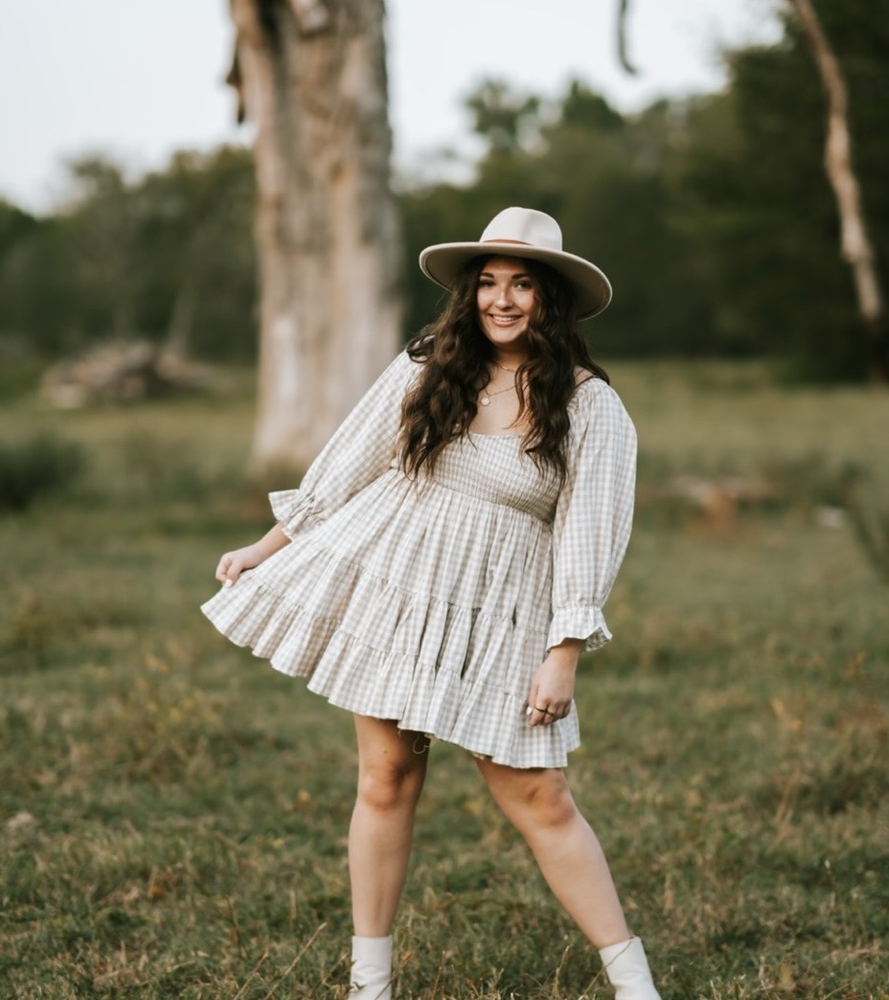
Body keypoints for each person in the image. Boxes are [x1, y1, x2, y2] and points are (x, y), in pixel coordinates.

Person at [202, 207, 662, 1000]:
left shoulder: (590, 407)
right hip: (400, 590)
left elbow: (591, 535)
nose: (503, 301)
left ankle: (634, 986)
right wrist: (264, 546)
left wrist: (564, 653)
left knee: (540, 796)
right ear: (468, 293)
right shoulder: (427, 364)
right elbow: (345, 465)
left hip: (503, 613)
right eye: (488, 283)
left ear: (551, 298)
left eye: (522, 285)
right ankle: (369, 985)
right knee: (386, 778)